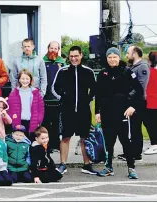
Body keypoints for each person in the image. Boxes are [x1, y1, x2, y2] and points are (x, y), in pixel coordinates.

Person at [94, 47, 143, 179]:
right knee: (108, 143)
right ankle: (108, 167)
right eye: (109, 57)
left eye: (114, 57)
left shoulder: (127, 72)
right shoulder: (103, 73)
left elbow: (139, 90)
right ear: (107, 58)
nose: (112, 59)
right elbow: (98, 94)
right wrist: (97, 112)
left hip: (123, 114)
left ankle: (131, 168)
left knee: (126, 142)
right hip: (107, 114)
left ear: (119, 58)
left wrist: (133, 106)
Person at [51, 46, 96, 175]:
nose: (73, 58)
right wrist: (63, 99)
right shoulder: (63, 71)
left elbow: (94, 89)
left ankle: (87, 165)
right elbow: (54, 88)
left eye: (76, 56)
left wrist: (88, 100)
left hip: (83, 111)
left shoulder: (88, 71)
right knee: (65, 137)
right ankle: (63, 164)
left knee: (84, 138)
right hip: (67, 110)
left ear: (81, 55)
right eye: (71, 56)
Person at [123, 45, 148, 161]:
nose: (127, 55)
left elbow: (141, 87)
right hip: (131, 101)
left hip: (138, 102)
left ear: (135, 53)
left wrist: (128, 95)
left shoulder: (142, 67)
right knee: (131, 128)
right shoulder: (133, 67)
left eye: (128, 52)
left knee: (136, 128)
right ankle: (131, 151)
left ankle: (136, 153)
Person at [42, 41, 67, 151]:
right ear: (48, 48)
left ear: (58, 50)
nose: (53, 50)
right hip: (45, 98)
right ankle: (46, 145)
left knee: (56, 123)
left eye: (55, 48)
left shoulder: (62, 63)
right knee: (46, 122)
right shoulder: (42, 62)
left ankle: (55, 144)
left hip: (57, 99)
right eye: (51, 48)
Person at [8, 69, 45, 140]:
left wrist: (38, 120)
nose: (25, 81)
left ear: (30, 80)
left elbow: (41, 108)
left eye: (27, 79)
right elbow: (10, 109)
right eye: (23, 78)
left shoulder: (36, 93)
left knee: (31, 141)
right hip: (19, 121)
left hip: (32, 121)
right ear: (19, 80)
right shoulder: (14, 93)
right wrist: (13, 119)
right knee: (19, 142)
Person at [145, 51, 157, 155]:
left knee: (150, 124)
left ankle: (154, 144)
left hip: (151, 101)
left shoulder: (150, 71)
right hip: (153, 100)